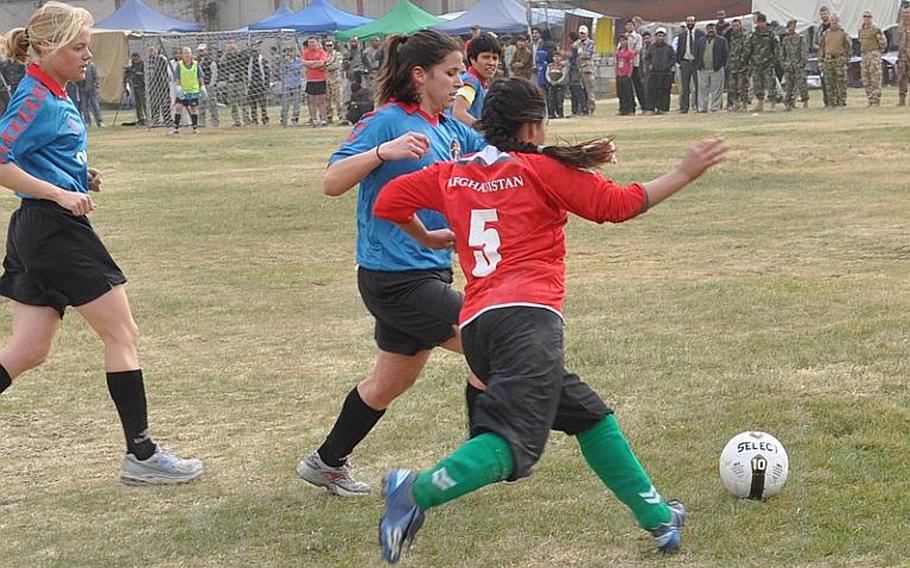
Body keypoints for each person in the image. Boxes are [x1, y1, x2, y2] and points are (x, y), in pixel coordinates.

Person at [372, 76, 728, 564]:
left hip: (477, 326)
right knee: (513, 447)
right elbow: (616, 205)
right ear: (532, 125)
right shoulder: (539, 170)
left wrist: (433, 239)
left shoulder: (452, 173)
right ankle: (415, 492)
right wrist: (684, 172)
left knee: (589, 416)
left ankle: (658, 516)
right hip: (526, 322)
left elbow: (387, 202)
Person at [0, 1, 203, 486]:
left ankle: (142, 454)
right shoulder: (34, 97)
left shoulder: (54, 90)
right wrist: (57, 192)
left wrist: (76, 176)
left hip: (39, 228)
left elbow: (35, 153)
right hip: (52, 229)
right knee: (123, 335)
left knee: (28, 351)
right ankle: (143, 454)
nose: (88, 54)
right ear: (47, 48)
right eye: (79, 46)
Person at [296, 29, 487, 497]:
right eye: (451, 72)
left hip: (431, 269)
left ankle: (326, 462)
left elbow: (498, 157)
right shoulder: (386, 121)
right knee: (491, 342)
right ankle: (479, 460)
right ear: (419, 75)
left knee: (387, 383)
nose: (460, 81)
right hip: (393, 278)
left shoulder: (449, 128)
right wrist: (383, 152)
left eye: (462, 72)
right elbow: (331, 181)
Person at [452, 33, 501, 127]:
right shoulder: (471, 81)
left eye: (495, 58)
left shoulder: (480, 82)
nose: (491, 63)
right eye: (486, 57)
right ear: (473, 59)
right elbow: (458, 112)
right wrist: (484, 130)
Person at [746, 13, 780, 112]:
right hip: (756, 64)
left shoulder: (771, 34)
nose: (758, 24)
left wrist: (775, 61)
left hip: (768, 63)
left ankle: (772, 104)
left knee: (771, 84)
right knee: (758, 85)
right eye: (757, 22)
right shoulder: (753, 34)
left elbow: (777, 49)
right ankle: (760, 104)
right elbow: (749, 48)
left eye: (759, 22)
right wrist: (748, 59)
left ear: (764, 22)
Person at [819, 13, 850, 107]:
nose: (834, 22)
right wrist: (821, 61)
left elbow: (848, 48)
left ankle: (841, 102)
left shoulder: (843, 34)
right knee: (829, 82)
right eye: (832, 20)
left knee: (841, 82)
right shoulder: (825, 34)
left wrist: (845, 59)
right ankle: (831, 102)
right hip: (828, 60)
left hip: (839, 60)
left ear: (839, 22)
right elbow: (822, 48)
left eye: (836, 20)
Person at [695, 22, 728, 113]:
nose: (711, 30)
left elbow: (725, 54)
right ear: (706, 30)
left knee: (716, 90)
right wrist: (698, 64)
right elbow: (697, 53)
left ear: (715, 30)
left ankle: (715, 107)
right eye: (709, 29)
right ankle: (702, 108)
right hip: (703, 69)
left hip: (716, 69)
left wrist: (721, 65)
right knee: (702, 90)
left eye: (712, 28)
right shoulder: (701, 40)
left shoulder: (722, 40)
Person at [170, 47, 203, 134]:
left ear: (191, 54)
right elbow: (177, 77)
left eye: (188, 53)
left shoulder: (195, 64)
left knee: (193, 108)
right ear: (182, 55)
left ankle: (195, 127)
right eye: (185, 53)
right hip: (183, 90)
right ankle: (176, 127)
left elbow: (200, 76)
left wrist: (202, 87)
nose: (187, 55)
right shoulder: (180, 65)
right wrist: (178, 87)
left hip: (193, 90)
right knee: (178, 107)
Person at [858, 10, 887, 107]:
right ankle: (870, 99)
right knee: (866, 79)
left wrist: (877, 52)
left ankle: (876, 100)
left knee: (875, 78)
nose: (867, 18)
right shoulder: (861, 30)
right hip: (864, 55)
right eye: (865, 16)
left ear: (872, 18)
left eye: (869, 17)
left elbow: (883, 44)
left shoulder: (876, 29)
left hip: (874, 54)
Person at [780, 20, 809, 110]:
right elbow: (782, 54)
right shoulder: (785, 40)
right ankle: (789, 103)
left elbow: (804, 52)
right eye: (789, 27)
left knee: (802, 84)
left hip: (798, 65)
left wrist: (801, 63)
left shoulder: (800, 38)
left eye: (792, 27)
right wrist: (784, 64)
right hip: (789, 65)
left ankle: (805, 102)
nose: (790, 29)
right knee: (789, 86)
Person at [646, 27, 675, 113]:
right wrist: (649, 65)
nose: (660, 37)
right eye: (659, 35)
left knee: (665, 92)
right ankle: (651, 109)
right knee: (653, 91)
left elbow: (673, 58)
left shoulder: (669, 48)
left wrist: (667, 66)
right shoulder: (651, 48)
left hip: (665, 74)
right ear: (655, 36)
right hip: (654, 74)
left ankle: (663, 109)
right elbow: (647, 58)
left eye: (662, 36)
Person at [623, 19, 647, 113]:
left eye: (631, 25)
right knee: (627, 87)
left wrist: (628, 55)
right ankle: (629, 107)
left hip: (635, 64)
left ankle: (644, 106)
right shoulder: (624, 36)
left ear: (634, 26)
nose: (629, 27)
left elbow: (638, 49)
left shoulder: (637, 37)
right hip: (625, 66)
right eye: (627, 25)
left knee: (638, 86)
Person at [303, 37, 328, 127]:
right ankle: (313, 119)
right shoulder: (306, 53)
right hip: (310, 79)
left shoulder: (321, 52)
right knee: (311, 100)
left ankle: (323, 119)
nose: (312, 44)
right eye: (310, 42)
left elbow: (321, 63)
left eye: (313, 42)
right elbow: (304, 62)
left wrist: (311, 64)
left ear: (317, 43)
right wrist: (314, 63)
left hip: (320, 79)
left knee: (321, 100)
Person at [675, 16, 698, 113]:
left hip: (696, 63)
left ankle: (698, 106)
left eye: (691, 21)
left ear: (695, 22)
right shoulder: (682, 35)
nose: (690, 23)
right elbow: (679, 50)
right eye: (688, 21)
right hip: (685, 62)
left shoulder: (699, 34)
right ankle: (684, 107)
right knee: (684, 87)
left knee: (697, 86)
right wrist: (680, 62)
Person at [727, 18, 751, 112]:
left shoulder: (745, 35)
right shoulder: (732, 36)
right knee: (733, 86)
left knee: (743, 86)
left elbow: (746, 50)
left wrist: (742, 61)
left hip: (742, 66)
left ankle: (744, 105)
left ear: (740, 25)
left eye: (737, 25)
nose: (735, 27)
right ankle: (736, 104)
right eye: (733, 26)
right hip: (733, 65)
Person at [324, 37, 346, 125]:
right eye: (327, 45)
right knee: (327, 100)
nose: (329, 47)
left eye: (330, 45)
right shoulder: (324, 55)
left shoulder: (338, 54)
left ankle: (341, 116)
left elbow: (337, 65)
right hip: (325, 80)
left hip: (336, 80)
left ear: (333, 46)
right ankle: (329, 117)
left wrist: (325, 67)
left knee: (338, 99)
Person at [197, 43, 219, 128]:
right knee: (201, 104)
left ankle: (215, 122)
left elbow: (214, 73)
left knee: (212, 104)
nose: (201, 52)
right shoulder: (197, 61)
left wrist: (211, 84)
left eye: (202, 50)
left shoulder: (211, 61)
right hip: (199, 85)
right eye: (199, 51)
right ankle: (201, 122)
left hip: (208, 85)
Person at [279, 47, 302, 127]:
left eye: (291, 51)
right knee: (285, 103)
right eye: (288, 51)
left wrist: (290, 64)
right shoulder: (284, 61)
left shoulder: (298, 60)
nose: (290, 53)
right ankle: (283, 119)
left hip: (296, 84)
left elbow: (297, 68)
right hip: (286, 84)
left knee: (296, 103)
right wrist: (285, 63)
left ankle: (295, 119)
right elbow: (280, 70)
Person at [247, 43, 269, 125]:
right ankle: (254, 119)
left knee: (263, 103)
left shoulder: (263, 60)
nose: (254, 53)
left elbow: (267, 74)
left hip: (261, 84)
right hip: (252, 84)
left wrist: (266, 85)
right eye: (252, 51)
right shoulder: (249, 61)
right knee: (252, 104)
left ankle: (264, 118)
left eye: (256, 51)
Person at [576, 25, 596, 113]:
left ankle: (591, 107)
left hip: (587, 69)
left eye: (584, 33)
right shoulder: (577, 43)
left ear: (587, 33)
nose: (582, 35)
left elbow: (588, 54)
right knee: (580, 90)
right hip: (578, 69)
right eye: (581, 33)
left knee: (589, 89)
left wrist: (579, 54)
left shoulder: (590, 43)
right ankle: (582, 107)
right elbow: (572, 51)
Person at [77, 60, 103, 127]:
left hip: (92, 89)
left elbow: (96, 76)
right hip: (82, 90)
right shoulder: (79, 66)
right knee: (84, 107)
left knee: (95, 105)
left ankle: (99, 121)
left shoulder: (92, 65)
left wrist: (96, 86)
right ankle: (87, 121)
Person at [615, 35, 635, 115]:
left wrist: (629, 73)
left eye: (624, 40)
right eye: (621, 40)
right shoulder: (618, 52)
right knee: (621, 93)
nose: (622, 42)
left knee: (628, 92)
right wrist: (616, 73)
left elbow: (631, 63)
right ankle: (622, 109)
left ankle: (631, 109)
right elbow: (616, 63)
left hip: (626, 74)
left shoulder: (629, 52)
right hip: (619, 74)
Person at [816, 6, 833, 107]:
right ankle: (826, 101)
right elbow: (814, 43)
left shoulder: (834, 26)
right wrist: (821, 47)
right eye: (822, 14)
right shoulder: (819, 29)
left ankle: (835, 100)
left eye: (825, 13)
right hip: (822, 57)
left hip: (833, 56)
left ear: (829, 14)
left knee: (834, 79)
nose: (824, 16)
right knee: (823, 79)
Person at [124, 52, 146, 126]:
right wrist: (128, 71)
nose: (134, 60)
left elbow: (143, 74)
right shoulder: (133, 65)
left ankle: (149, 118)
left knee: (144, 103)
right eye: (133, 59)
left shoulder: (142, 64)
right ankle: (141, 119)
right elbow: (129, 74)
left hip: (141, 86)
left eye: (135, 59)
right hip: (134, 86)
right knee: (137, 104)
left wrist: (136, 72)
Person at [545, 51, 568, 118]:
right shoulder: (550, 65)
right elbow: (546, 74)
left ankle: (560, 113)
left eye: (558, 57)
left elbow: (564, 75)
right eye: (555, 57)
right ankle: (552, 113)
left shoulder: (563, 66)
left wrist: (558, 82)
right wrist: (550, 81)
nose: (556, 58)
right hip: (551, 85)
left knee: (559, 100)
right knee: (551, 99)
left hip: (559, 85)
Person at [899, 6, 910, 106]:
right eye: (904, 13)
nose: (905, 15)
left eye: (907, 13)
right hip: (902, 56)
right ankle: (902, 100)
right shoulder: (899, 26)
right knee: (902, 78)